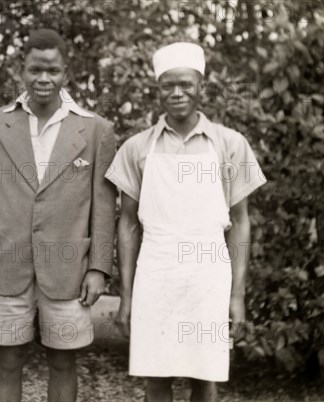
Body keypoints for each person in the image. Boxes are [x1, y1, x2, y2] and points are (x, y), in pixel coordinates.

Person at [107, 42, 266, 402]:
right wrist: (127, 295)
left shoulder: (229, 144)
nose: (176, 93)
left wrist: (237, 295)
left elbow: (240, 223)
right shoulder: (137, 147)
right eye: (167, 85)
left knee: (204, 377)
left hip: (208, 275)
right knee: (156, 376)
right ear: (158, 89)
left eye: (185, 84)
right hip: (156, 270)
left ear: (200, 86)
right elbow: (128, 225)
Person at [0, 28, 116, 402]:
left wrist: (98, 268)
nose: (43, 79)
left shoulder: (96, 130)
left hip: (68, 269)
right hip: (6, 265)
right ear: (22, 70)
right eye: (35, 70)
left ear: (66, 72)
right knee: (8, 361)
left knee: (63, 363)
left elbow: (103, 207)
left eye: (52, 70)